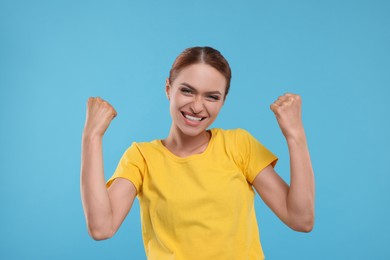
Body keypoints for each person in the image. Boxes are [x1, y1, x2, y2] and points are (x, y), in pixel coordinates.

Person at [80, 46, 315, 260]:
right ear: (168, 89)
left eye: (212, 96)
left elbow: (301, 219)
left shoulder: (239, 144)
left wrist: (296, 136)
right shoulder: (142, 157)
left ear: (222, 101)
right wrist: (92, 137)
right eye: (187, 91)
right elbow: (102, 227)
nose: (196, 106)